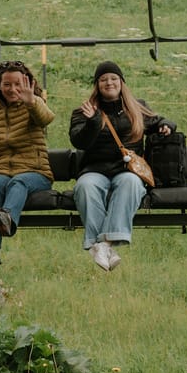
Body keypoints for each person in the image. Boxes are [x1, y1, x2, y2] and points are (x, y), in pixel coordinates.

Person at [69, 61, 176, 271]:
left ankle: (102, 244)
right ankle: (106, 244)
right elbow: (79, 142)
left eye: (113, 78)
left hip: (125, 169)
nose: (109, 83)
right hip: (95, 169)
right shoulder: (84, 111)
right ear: (97, 85)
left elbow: (160, 120)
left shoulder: (137, 108)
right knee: (85, 187)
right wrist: (93, 121)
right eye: (103, 80)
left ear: (121, 82)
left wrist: (166, 125)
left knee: (131, 183)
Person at [0, 60, 55, 266]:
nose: (12, 89)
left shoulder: (33, 103)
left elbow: (46, 119)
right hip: (2, 170)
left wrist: (31, 102)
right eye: (7, 84)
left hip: (35, 171)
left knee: (17, 182)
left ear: (26, 84)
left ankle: (7, 218)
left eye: (17, 84)